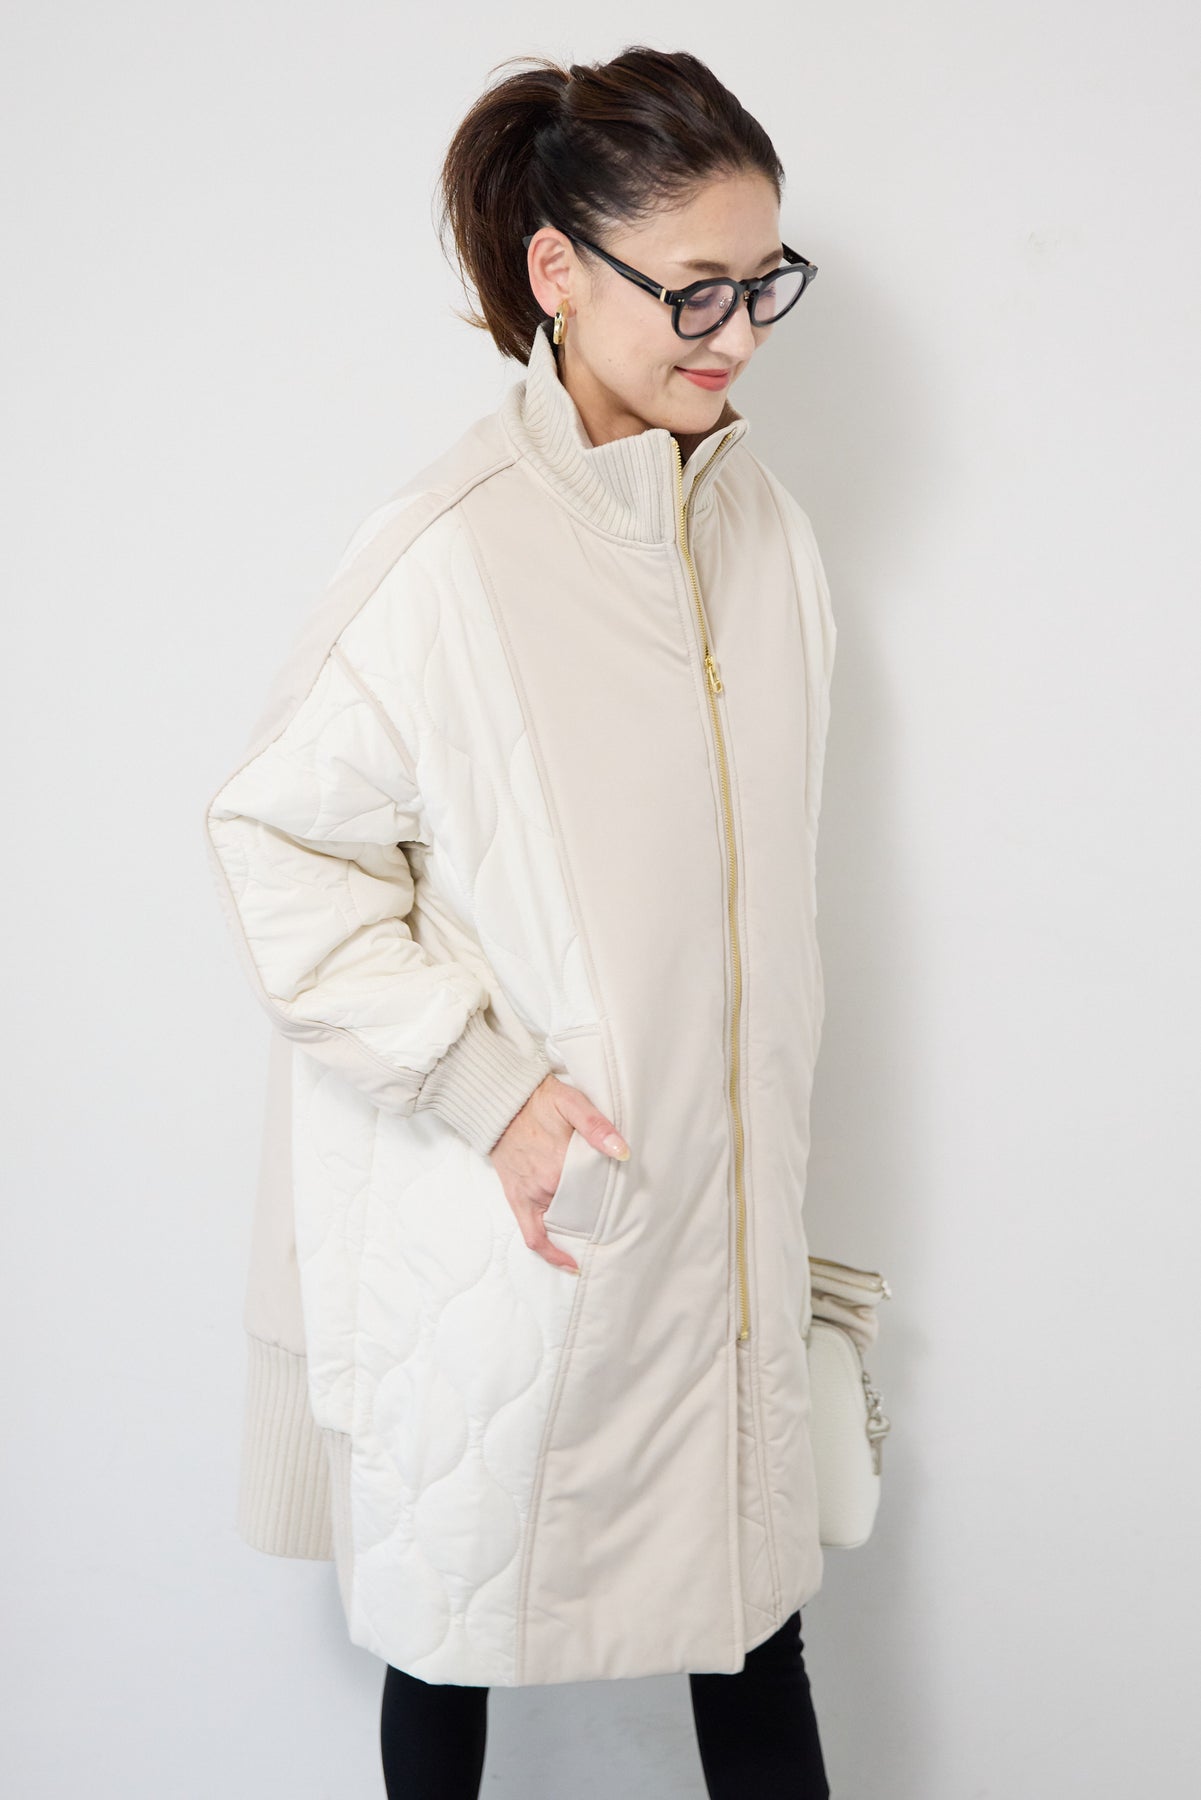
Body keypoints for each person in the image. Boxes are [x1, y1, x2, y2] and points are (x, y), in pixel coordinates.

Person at [203, 43, 837, 1800]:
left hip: (720, 1225)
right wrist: (492, 1093)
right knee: (453, 1630)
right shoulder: (447, 551)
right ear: (557, 271)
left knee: (756, 1625)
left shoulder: (764, 534)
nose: (736, 332)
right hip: (515, 1229)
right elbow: (277, 841)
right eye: (694, 288)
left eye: (762, 282)